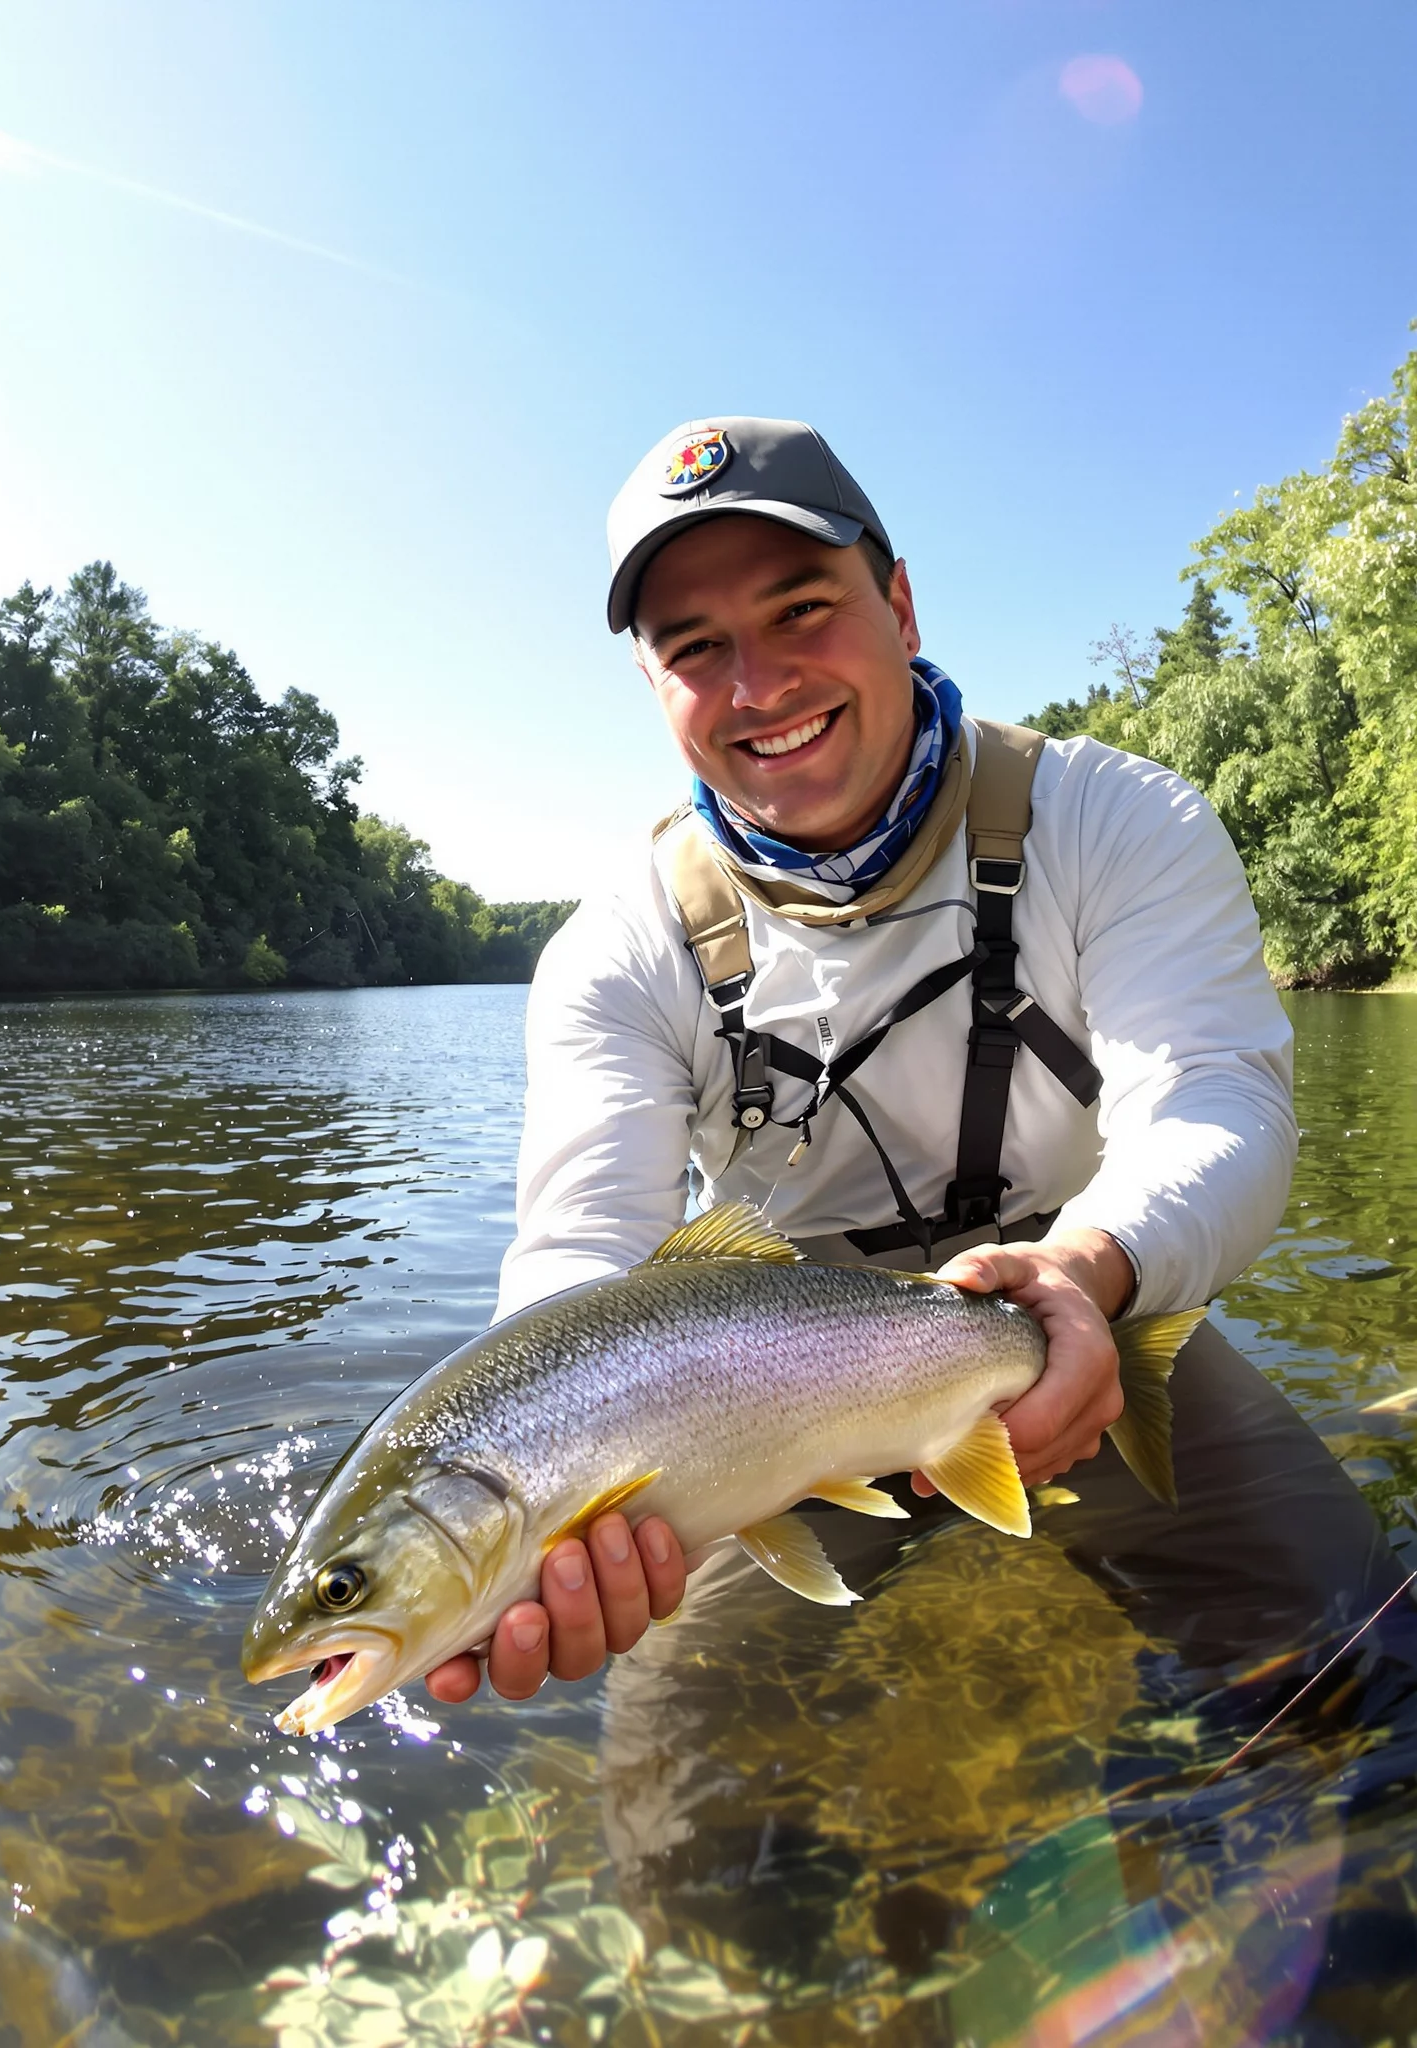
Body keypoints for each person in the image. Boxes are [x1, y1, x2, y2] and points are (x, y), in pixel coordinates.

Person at [424, 415, 1406, 1714]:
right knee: (688, 1821)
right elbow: (577, 1272)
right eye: (695, 648)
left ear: (899, 602)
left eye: (800, 610)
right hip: (760, 1402)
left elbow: (1216, 1099)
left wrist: (1091, 1270)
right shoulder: (614, 955)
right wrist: (516, 1517)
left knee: (1360, 1672)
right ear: (653, 687)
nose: (759, 685)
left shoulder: (1115, 823)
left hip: (1091, 1311)